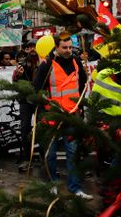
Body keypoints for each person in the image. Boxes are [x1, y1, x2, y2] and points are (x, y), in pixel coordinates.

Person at [33, 35, 93, 200]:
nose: (68, 51)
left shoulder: (75, 61)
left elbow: (80, 85)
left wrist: (79, 106)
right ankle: (53, 184)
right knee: (50, 154)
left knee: (73, 153)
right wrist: (46, 108)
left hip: (72, 115)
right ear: (56, 47)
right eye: (64, 48)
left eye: (70, 47)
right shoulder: (46, 64)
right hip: (52, 116)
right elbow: (36, 89)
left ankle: (75, 188)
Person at [13, 40, 40, 172]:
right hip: (25, 100)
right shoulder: (23, 63)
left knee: (43, 128)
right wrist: (17, 75)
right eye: (29, 47)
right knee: (25, 128)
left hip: (41, 100)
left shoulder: (45, 62)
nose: (32, 49)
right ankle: (26, 159)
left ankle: (44, 157)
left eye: (34, 46)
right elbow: (15, 80)